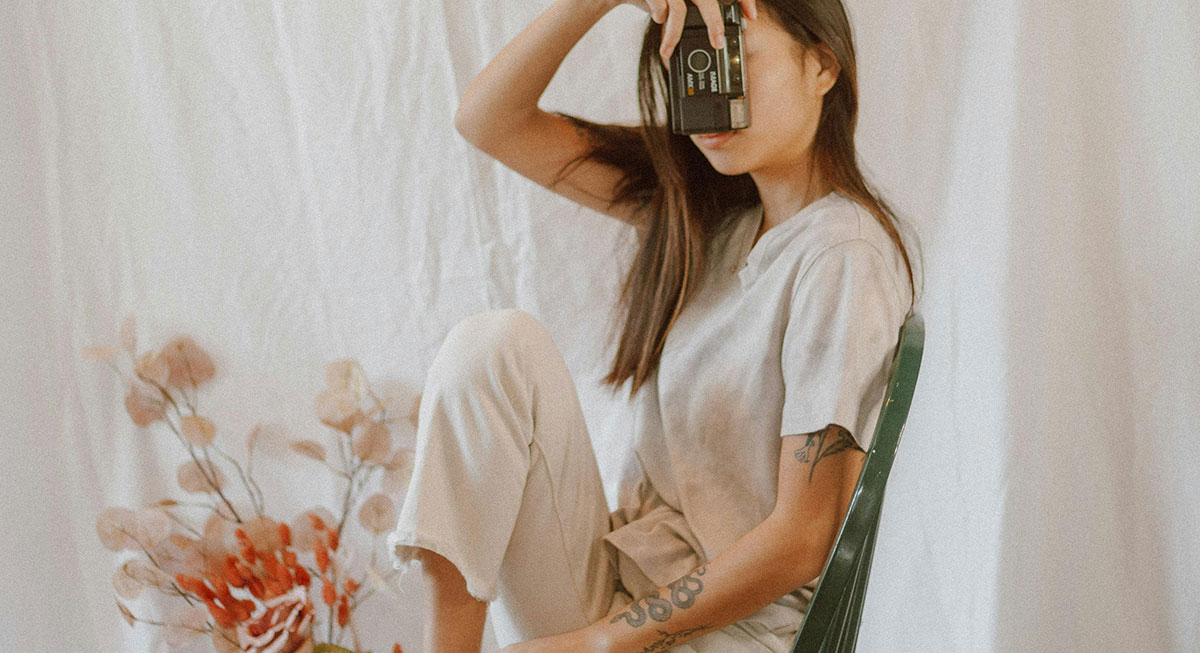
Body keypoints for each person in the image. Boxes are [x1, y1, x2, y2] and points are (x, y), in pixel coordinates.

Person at [387, 0, 922, 651]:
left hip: (731, 633)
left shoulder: (841, 253)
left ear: (822, 66)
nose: (709, 96)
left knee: (497, 346)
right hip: (627, 581)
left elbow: (802, 540)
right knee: (494, 347)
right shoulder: (708, 220)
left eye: (732, 59)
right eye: (689, 65)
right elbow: (486, 121)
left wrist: (596, 643)